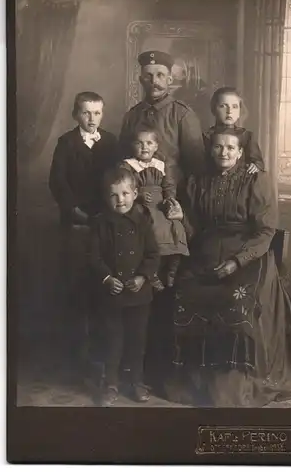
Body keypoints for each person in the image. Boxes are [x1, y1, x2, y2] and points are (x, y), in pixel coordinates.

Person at [164, 128, 291, 407]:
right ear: (211, 150)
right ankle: (193, 381)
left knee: (235, 300)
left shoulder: (256, 181)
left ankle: (234, 384)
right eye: (218, 147)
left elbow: (265, 232)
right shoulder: (196, 182)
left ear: (240, 152)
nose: (224, 153)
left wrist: (236, 261)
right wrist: (181, 218)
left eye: (231, 148)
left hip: (249, 253)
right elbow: (194, 230)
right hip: (206, 252)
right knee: (183, 293)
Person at [49, 91, 118, 366]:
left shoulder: (111, 142)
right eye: (87, 113)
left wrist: (108, 211)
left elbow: (117, 177)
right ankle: (77, 356)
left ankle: (104, 356)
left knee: (103, 284)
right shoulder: (66, 142)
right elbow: (57, 181)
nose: (92, 119)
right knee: (77, 285)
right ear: (76, 114)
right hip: (77, 221)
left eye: (97, 113)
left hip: (104, 219)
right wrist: (71, 209)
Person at [88, 167, 160, 406]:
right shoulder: (100, 223)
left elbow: (152, 254)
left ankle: (137, 382)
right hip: (112, 295)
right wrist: (107, 279)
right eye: (114, 195)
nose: (121, 200)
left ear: (135, 193)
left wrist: (142, 277)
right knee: (112, 340)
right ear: (105, 197)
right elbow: (93, 258)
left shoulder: (143, 220)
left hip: (139, 295)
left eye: (126, 194)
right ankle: (110, 384)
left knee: (137, 341)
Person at [119, 50, 206, 186]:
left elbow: (196, 164)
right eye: (148, 76)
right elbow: (123, 157)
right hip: (137, 192)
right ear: (141, 80)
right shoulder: (132, 115)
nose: (154, 81)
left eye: (160, 75)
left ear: (169, 79)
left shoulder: (183, 114)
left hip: (175, 191)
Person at [120, 125, 189, 291]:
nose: (144, 147)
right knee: (151, 228)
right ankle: (152, 273)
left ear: (156, 146)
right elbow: (124, 187)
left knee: (176, 226)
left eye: (149, 143)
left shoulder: (161, 164)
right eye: (139, 143)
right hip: (139, 205)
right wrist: (138, 196)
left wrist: (169, 199)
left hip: (160, 204)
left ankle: (172, 269)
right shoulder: (128, 165)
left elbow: (169, 185)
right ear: (132, 146)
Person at [205, 86, 265, 174]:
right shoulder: (206, 136)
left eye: (235, 107)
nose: (229, 111)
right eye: (223, 106)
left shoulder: (247, 136)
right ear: (214, 109)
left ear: (239, 111)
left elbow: (258, 163)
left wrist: (255, 166)